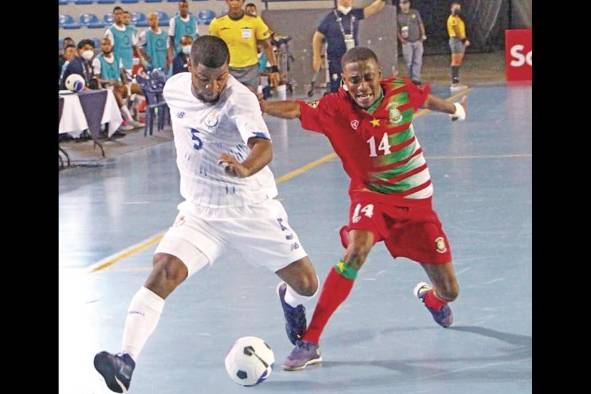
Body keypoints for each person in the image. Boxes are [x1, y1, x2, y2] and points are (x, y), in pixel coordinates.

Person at [93, 35, 320, 392]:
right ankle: (125, 360)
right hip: (201, 212)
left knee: (306, 285)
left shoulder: (240, 99)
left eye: (221, 77)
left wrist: (245, 168)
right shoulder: (174, 88)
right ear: (189, 70)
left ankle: (288, 301)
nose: (214, 86)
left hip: (249, 209)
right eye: (205, 78)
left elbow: (263, 146)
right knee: (163, 272)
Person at [260, 47, 467, 370]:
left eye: (368, 77)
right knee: (356, 251)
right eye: (354, 80)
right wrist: (260, 106)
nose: (362, 86)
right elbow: (297, 109)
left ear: (379, 74)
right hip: (371, 196)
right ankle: (310, 341)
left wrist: (452, 107)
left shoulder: (399, 91)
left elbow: (423, 99)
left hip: (416, 202)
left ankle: (433, 298)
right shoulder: (334, 107)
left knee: (451, 291)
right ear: (344, 80)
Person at [313, 0, 386, 93]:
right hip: (336, 60)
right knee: (337, 88)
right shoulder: (330, 17)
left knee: (355, 86)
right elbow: (317, 37)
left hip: (352, 60)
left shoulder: (355, 14)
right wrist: (317, 56)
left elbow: (373, 8)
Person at [208, 0, 280, 93]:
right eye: (231, 0)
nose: (235, 3)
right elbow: (212, 49)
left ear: (243, 1)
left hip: (250, 70)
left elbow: (267, 46)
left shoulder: (255, 21)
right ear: (226, 1)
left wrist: (274, 68)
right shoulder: (217, 23)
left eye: (238, 0)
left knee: (250, 101)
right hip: (228, 69)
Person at [92, 37, 144, 130]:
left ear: (111, 45)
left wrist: (125, 82)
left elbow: (121, 72)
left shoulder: (116, 56)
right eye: (104, 45)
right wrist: (109, 81)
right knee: (116, 93)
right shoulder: (97, 60)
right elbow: (97, 79)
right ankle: (129, 119)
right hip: (107, 88)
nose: (106, 47)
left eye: (108, 44)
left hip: (119, 85)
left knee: (138, 87)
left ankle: (136, 110)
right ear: (101, 46)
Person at [105, 6, 146, 73]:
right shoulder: (110, 31)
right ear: (113, 16)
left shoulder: (130, 30)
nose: (118, 16)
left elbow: (135, 46)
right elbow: (108, 50)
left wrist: (141, 58)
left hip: (129, 63)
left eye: (120, 14)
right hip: (117, 65)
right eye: (116, 14)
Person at [397, 0, 427, 85]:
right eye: (402, 3)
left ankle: (416, 79)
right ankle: (410, 78)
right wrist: (401, 40)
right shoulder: (398, 16)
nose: (404, 5)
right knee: (409, 61)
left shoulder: (415, 13)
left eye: (406, 3)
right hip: (407, 42)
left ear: (409, 4)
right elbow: (397, 30)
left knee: (417, 61)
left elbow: (420, 24)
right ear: (400, 5)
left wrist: (423, 35)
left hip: (417, 40)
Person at [167, 0, 198, 65]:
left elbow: (196, 37)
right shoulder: (174, 20)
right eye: (182, 6)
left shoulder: (194, 20)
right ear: (179, 7)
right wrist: (170, 55)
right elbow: (170, 40)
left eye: (186, 6)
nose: (184, 8)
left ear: (188, 7)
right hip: (178, 54)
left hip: (192, 54)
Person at [447, 1, 469, 91]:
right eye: (455, 8)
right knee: (455, 61)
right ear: (451, 9)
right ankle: (454, 84)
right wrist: (464, 40)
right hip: (456, 41)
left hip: (460, 41)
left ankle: (456, 82)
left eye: (458, 8)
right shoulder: (452, 19)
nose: (457, 10)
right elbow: (457, 32)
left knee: (458, 61)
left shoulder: (458, 18)